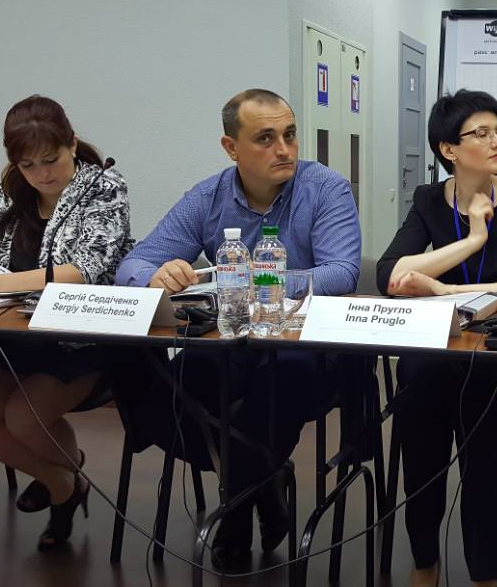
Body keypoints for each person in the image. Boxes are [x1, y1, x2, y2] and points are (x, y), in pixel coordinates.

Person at [115, 88, 360, 569]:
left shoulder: (325, 188)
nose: (284, 149)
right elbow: (133, 264)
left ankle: (235, 508)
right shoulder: (207, 197)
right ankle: (261, 483)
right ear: (231, 148)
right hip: (230, 342)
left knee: (275, 390)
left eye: (289, 135)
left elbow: (341, 273)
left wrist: (256, 282)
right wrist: (157, 275)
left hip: (304, 345)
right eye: (265, 138)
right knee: (164, 399)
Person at [0, 95, 132, 550]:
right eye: (29, 165)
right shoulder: (13, 189)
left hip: (76, 339)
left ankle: (60, 485)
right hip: (12, 334)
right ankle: (64, 485)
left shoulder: (105, 187)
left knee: (23, 417)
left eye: (51, 160)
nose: (42, 174)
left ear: (72, 144)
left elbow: (86, 268)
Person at [377, 89, 497, 587]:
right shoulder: (428, 201)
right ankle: (424, 561)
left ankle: (484, 573)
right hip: (440, 352)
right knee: (417, 389)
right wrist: (473, 239)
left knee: (478, 399)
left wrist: (447, 290)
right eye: (482, 133)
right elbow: (391, 276)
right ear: (448, 149)